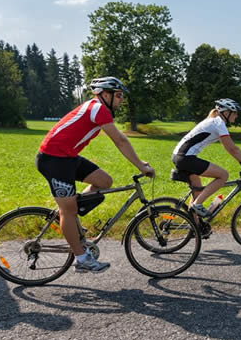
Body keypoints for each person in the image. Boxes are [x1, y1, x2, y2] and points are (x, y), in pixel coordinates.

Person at [36, 76, 155, 273]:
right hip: (53, 160)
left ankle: (68, 217)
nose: (121, 100)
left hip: (67, 157)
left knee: (104, 181)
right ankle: (81, 258)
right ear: (105, 94)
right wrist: (141, 165)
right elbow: (120, 140)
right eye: (118, 95)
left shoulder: (96, 107)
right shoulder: (98, 108)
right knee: (69, 210)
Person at [171, 98, 241, 218]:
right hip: (186, 158)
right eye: (235, 113)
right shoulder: (218, 123)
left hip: (179, 156)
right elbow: (232, 148)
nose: (236, 116)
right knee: (223, 175)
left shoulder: (213, 121)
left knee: (198, 192)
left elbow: (228, 147)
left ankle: (196, 227)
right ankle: (197, 205)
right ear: (226, 112)